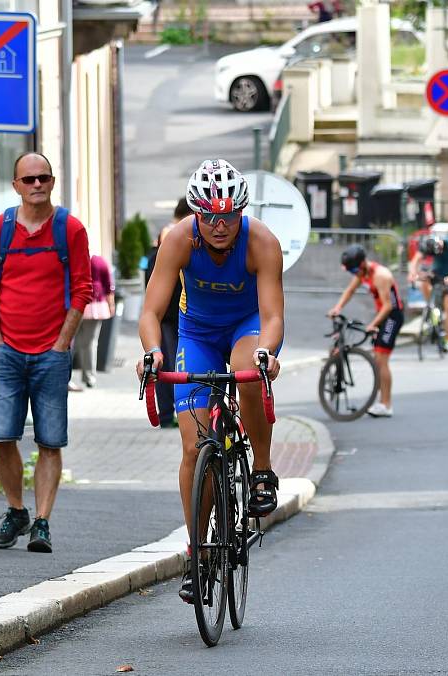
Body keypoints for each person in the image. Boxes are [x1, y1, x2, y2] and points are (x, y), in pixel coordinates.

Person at [137, 159, 284, 603]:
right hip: (196, 332)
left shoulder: (262, 242)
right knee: (192, 447)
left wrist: (267, 353)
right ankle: (197, 552)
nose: (220, 226)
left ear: (242, 211)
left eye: (230, 216)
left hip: (247, 326)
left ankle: (260, 468)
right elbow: (150, 311)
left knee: (249, 378)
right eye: (210, 216)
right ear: (196, 213)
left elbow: (274, 314)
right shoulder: (179, 239)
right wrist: (151, 350)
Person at [0, 152, 92, 554]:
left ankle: (42, 521)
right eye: (29, 179)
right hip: (7, 352)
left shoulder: (70, 229)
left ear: (53, 181)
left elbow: (82, 289)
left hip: (51, 353)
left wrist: (62, 343)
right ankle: (16, 510)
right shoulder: (0, 230)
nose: (37, 184)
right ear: (16, 186)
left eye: (43, 177)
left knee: (49, 441)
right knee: (1, 437)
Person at [328, 245, 404, 418]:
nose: (354, 274)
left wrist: (373, 324)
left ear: (363, 263)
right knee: (378, 360)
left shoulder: (381, 275)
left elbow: (388, 306)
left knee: (381, 359)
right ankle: (380, 401)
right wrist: (337, 308)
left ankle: (386, 404)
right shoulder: (363, 273)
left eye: (355, 269)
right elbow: (350, 290)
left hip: (392, 316)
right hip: (383, 315)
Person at [144, 198, 193, 427]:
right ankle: (166, 415)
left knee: (171, 363)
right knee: (168, 364)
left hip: (170, 314)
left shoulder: (164, 237)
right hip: (169, 315)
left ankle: (168, 414)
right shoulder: (174, 237)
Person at [408, 233, 448, 351]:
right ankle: (431, 307)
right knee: (424, 282)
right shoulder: (426, 245)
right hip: (438, 271)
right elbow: (415, 261)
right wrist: (413, 273)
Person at [73, 254, 115, 388]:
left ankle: (85, 375)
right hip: (92, 306)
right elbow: (108, 285)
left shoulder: (78, 260)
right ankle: (89, 376)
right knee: (88, 342)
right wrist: (111, 304)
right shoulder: (97, 260)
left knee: (79, 342)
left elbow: (107, 284)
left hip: (79, 306)